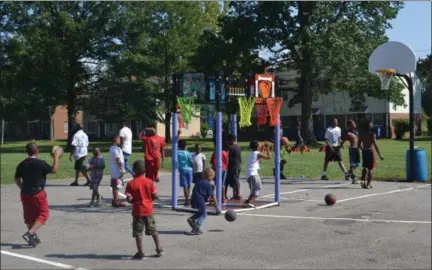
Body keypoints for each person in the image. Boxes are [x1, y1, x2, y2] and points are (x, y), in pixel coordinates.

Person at [15, 142, 61, 247]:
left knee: (29, 215)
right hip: (38, 193)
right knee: (44, 213)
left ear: (27, 152)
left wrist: (22, 187)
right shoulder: (41, 163)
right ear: (37, 151)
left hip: (25, 193)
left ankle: (32, 236)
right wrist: (56, 157)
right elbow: (54, 170)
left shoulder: (22, 164)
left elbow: (17, 178)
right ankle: (30, 233)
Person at [125, 160, 164, 259]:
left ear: (134, 170)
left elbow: (128, 198)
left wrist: (132, 201)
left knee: (138, 232)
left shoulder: (131, 183)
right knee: (153, 229)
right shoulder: (149, 182)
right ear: (144, 170)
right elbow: (155, 195)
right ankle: (159, 248)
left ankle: (140, 252)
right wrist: (151, 200)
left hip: (138, 210)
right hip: (148, 210)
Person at [187, 168, 220, 235]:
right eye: (212, 177)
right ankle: (196, 228)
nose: (212, 179)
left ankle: (192, 219)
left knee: (201, 212)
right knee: (204, 214)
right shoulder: (208, 185)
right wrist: (217, 207)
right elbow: (213, 197)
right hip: (200, 200)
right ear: (210, 177)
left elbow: (197, 192)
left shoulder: (199, 182)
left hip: (194, 199)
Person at [358, 120, 384, 188]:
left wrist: (363, 149)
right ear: (369, 126)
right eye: (371, 124)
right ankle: (368, 184)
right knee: (370, 168)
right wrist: (380, 154)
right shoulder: (372, 134)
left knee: (365, 167)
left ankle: (363, 182)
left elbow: (358, 144)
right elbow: (375, 144)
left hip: (364, 151)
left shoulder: (361, 134)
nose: (372, 125)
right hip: (370, 151)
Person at [245, 140, 270, 207]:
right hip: (253, 173)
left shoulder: (252, 153)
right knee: (257, 189)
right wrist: (267, 148)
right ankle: (250, 202)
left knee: (253, 189)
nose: (260, 145)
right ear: (257, 146)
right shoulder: (257, 154)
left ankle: (248, 201)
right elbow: (268, 157)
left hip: (249, 173)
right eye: (259, 144)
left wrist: (263, 148)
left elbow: (260, 160)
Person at [110, 136, 126, 207]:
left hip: (115, 170)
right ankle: (116, 201)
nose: (120, 141)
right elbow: (118, 160)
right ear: (116, 140)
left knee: (115, 186)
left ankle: (115, 200)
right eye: (119, 140)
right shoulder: (115, 149)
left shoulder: (113, 148)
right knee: (116, 186)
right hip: (117, 170)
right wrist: (122, 168)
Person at [225, 134, 242, 200]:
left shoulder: (231, 147)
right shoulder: (238, 146)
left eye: (228, 141)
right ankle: (236, 194)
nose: (227, 142)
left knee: (235, 180)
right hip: (237, 165)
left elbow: (228, 156)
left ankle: (238, 195)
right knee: (233, 180)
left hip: (233, 166)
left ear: (232, 140)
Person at [177, 139, 193, 206]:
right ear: (185, 146)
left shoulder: (177, 152)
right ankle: (188, 199)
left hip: (182, 169)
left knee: (185, 186)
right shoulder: (188, 153)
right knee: (189, 185)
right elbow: (190, 162)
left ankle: (187, 200)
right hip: (189, 169)